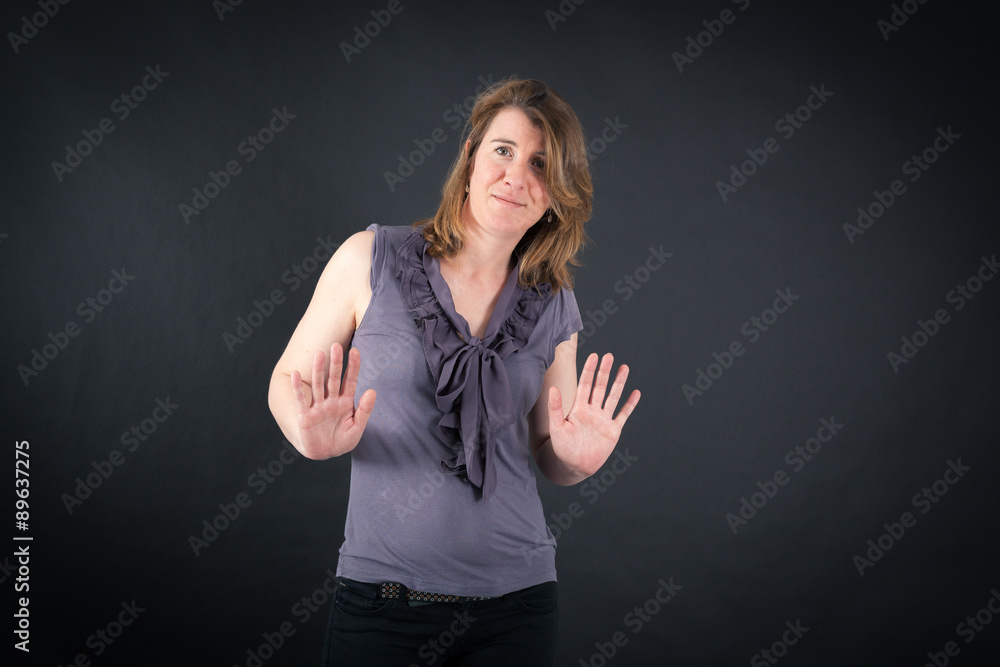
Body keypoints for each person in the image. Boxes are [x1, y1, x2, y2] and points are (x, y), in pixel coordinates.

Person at [268, 77, 640, 666]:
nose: (516, 176)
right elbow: (285, 382)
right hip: (381, 604)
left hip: (516, 610)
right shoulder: (370, 259)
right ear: (469, 158)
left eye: (540, 164)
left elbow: (551, 453)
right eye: (503, 150)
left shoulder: (554, 301)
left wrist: (577, 461)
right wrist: (305, 434)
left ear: (556, 194)